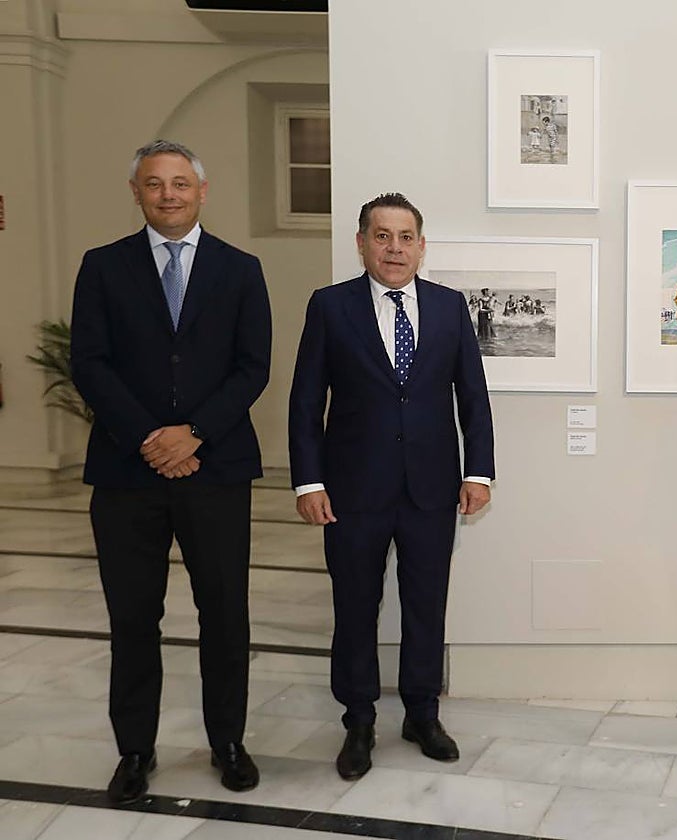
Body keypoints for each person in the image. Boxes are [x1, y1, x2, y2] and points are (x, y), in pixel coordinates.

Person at [70, 139, 271, 803]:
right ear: (137, 192)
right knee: (133, 619)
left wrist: (197, 435)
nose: (169, 194)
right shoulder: (102, 268)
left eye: (180, 183)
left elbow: (253, 367)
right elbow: (90, 363)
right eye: (154, 184)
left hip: (216, 472)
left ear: (201, 191)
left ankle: (229, 743)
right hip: (128, 476)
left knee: (224, 616)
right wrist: (152, 437)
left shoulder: (241, 270)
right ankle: (135, 751)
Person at [288, 192, 495, 780]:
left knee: (426, 607)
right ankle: (358, 720)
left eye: (406, 237)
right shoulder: (330, 308)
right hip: (351, 492)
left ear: (421, 246)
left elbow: (473, 399)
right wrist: (308, 481)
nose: (395, 248)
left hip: (433, 490)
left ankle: (422, 714)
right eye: (382, 236)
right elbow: (306, 403)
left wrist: (477, 471)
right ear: (361, 243)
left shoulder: (451, 308)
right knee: (355, 607)